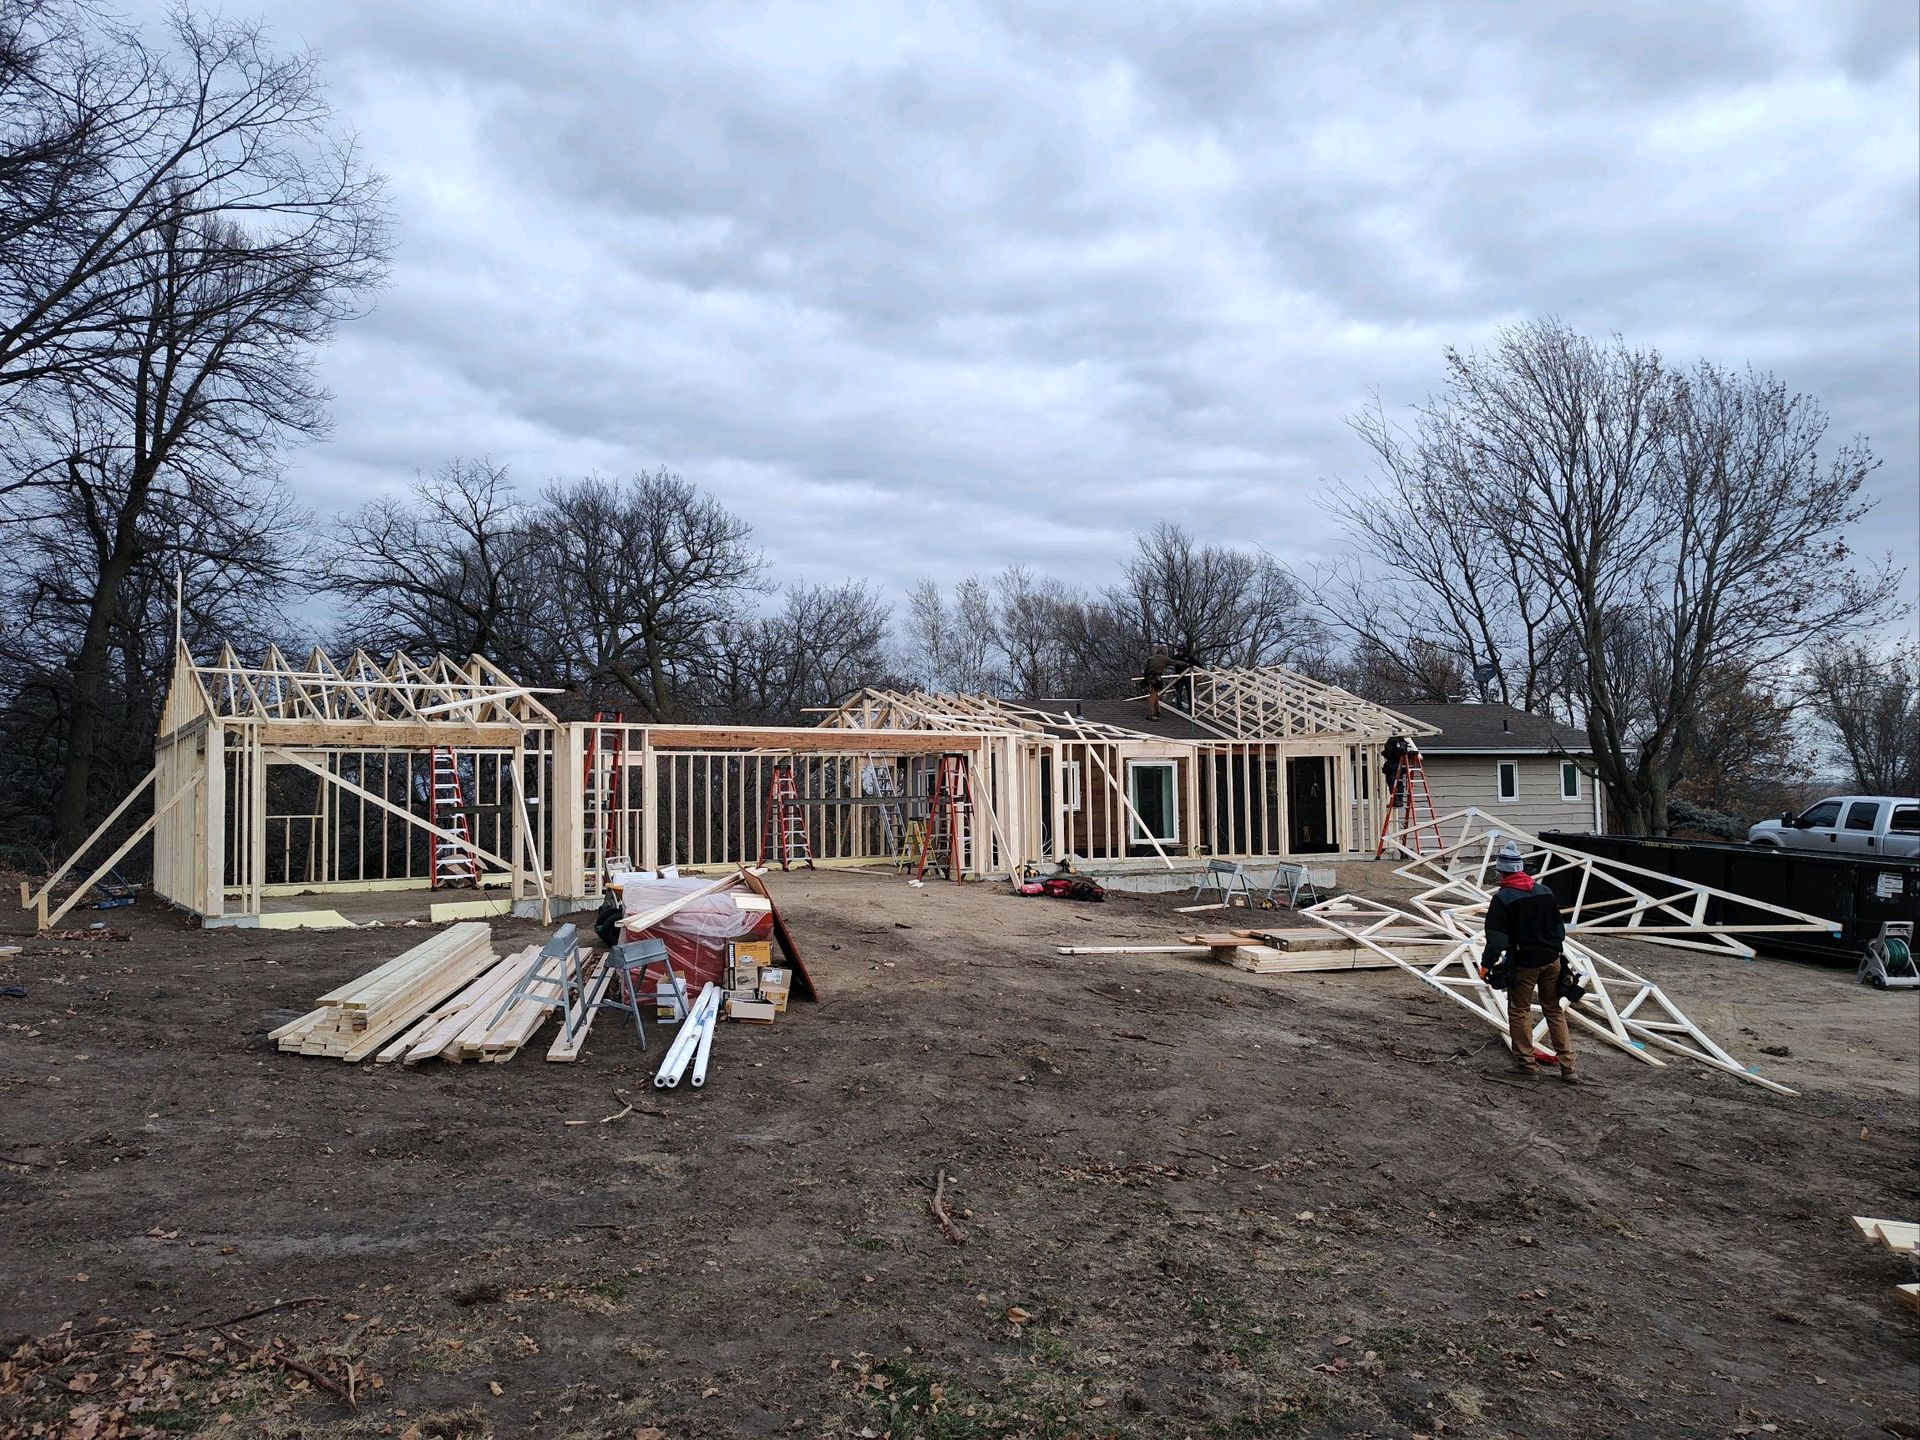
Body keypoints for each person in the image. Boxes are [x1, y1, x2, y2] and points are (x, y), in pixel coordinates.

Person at [1481, 842, 1577, 1082]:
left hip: (1525, 963)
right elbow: (1559, 929)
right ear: (1522, 869)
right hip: (1552, 959)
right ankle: (1568, 1067)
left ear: (1501, 872)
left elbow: (1496, 939)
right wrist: (1555, 952)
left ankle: (1527, 1065)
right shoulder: (1545, 892)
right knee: (1554, 1009)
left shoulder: (1503, 898)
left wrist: (1487, 964)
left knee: (1519, 1010)